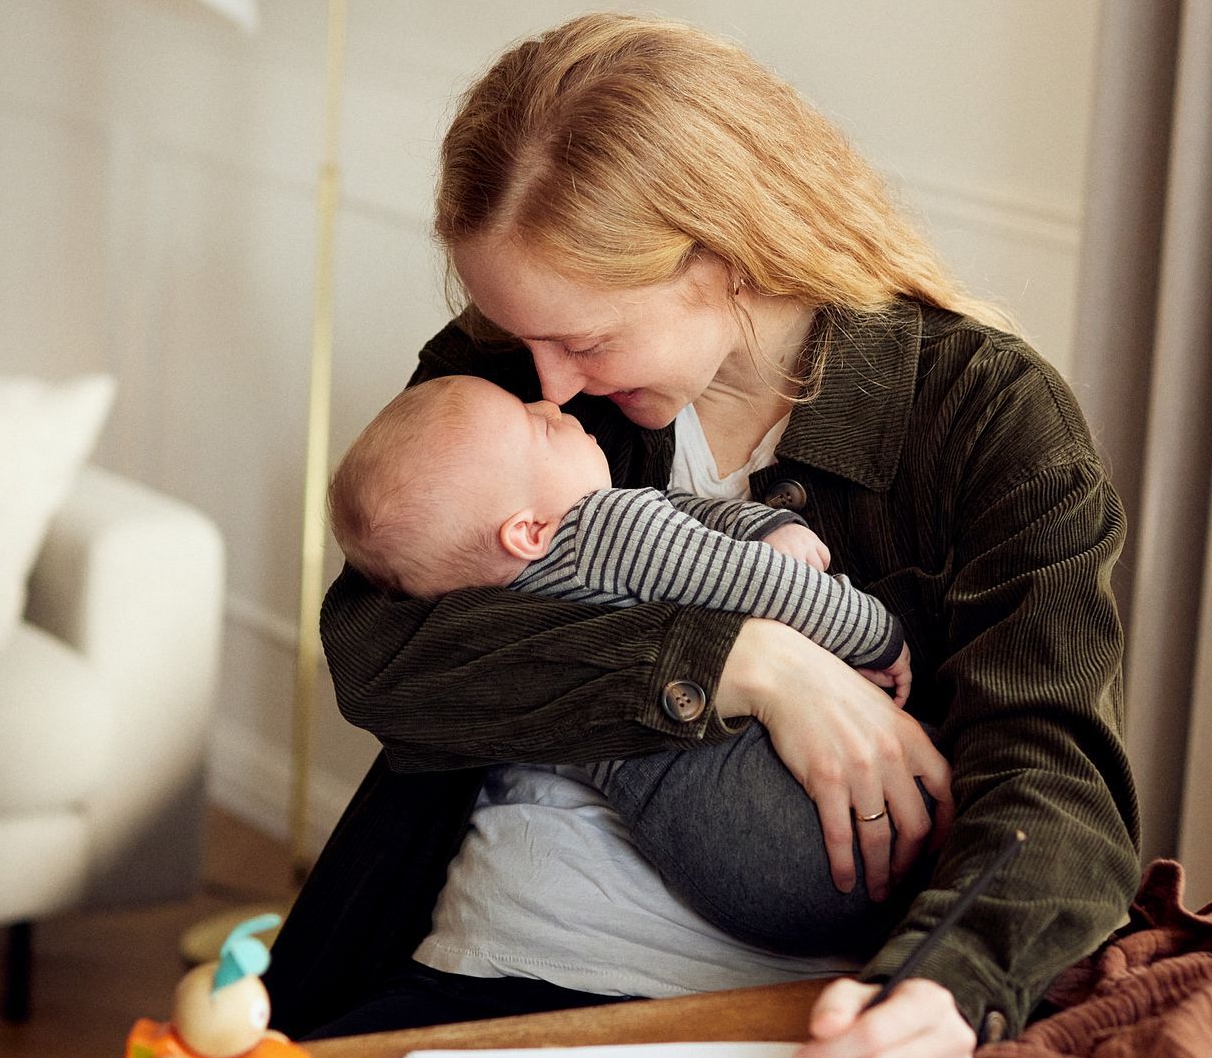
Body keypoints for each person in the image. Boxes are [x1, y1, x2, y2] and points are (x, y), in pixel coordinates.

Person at [267, 13, 1140, 1058]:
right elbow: (381, 656)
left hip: (785, 1020)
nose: (546, 381)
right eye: (515, 332)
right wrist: (737, 660)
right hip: (477, 973)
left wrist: (946, 988)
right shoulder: (517, 364)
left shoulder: (986, 419)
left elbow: (1055, 771)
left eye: (586, 341)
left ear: (723, 259)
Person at [326, 366, 915, 950]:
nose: (551, 406)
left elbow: (680, 523)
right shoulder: (598, 527)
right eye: (539, 430)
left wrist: (764, 524)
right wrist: (873, 635)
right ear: (527, 530)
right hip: (757, 803)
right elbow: (749, 578)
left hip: (709, 859)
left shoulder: (496, 589)